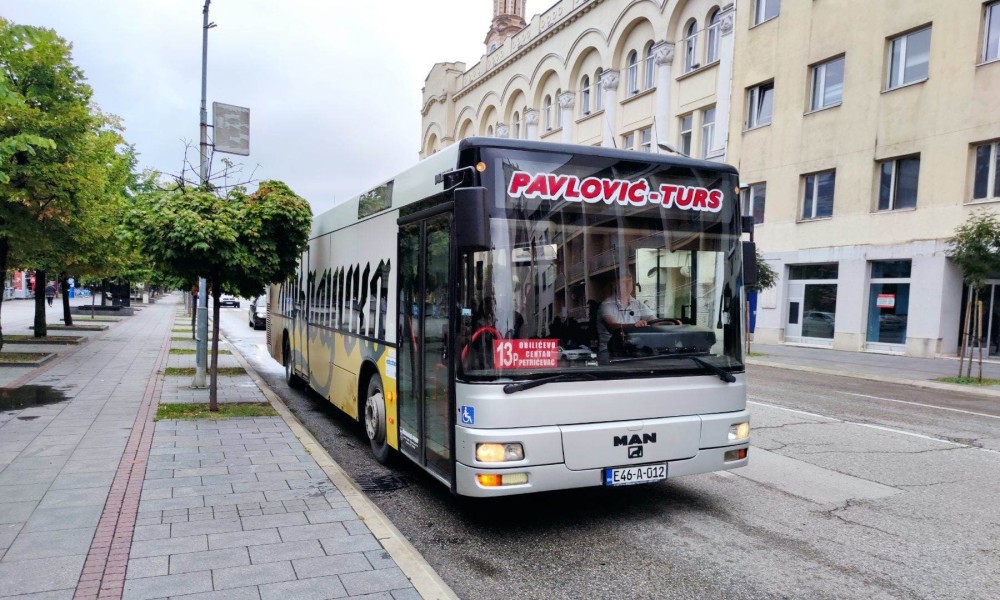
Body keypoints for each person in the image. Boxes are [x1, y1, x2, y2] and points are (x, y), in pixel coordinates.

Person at [598, 270, 655, 360]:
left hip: (633, 348)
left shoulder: (637, 304)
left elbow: (655, 321)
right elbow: (612, 327)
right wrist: (635, 326)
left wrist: (671, 323)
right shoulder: (606, 305)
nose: (628, 285)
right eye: (624, 282)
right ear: (614, 284)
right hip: (610, 351)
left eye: (630, 281)